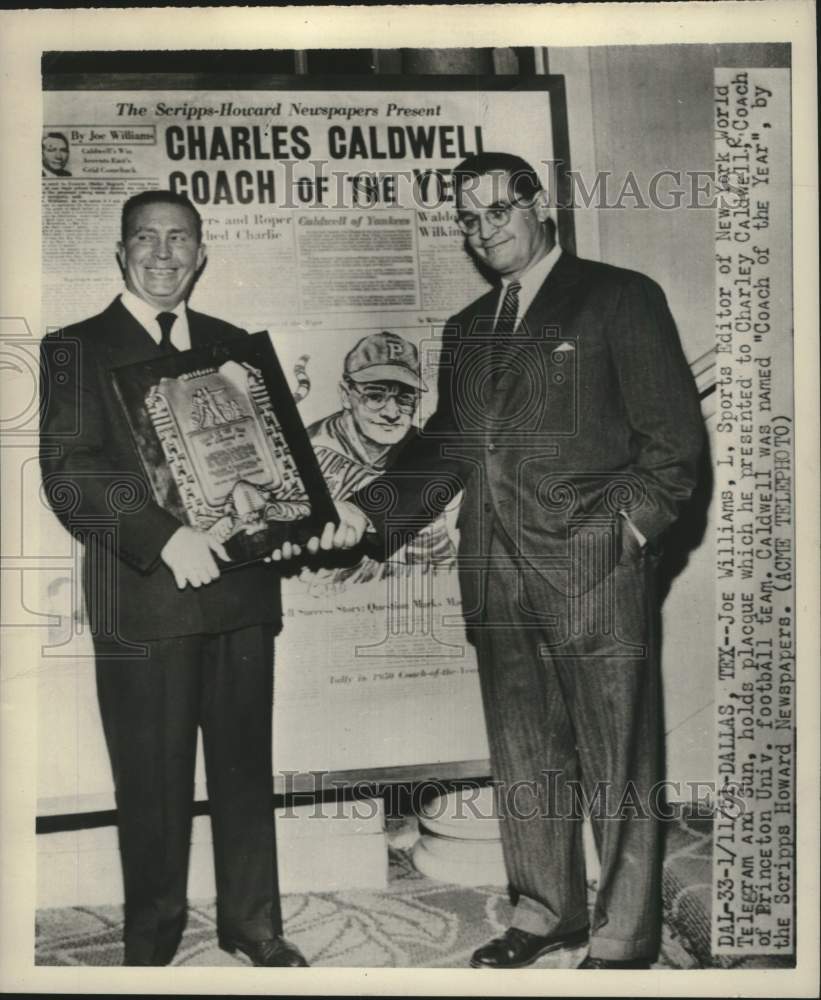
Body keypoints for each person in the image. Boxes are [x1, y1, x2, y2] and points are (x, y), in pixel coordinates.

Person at [303, 152, 705, 969]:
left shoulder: (618, 297)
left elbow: (673, 454)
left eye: (495, 210)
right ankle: (544, 910)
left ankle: (624, 937)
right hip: (494, 575)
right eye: (466, 217)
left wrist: (618, 543)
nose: (482, 230)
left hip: (594, 575)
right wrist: (361, 511)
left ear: (538, 204)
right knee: (524, 755)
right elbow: (445, 450)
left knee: (618, 760)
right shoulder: (465, 330)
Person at [39, 190, 329, 967]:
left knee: (243, 772)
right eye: (147, 238)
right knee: (152, 782)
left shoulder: (235, 348)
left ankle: (254, 927)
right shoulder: (75, 347)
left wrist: (292, 528)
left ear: (202, 255)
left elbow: (277, 472)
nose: (164, 254)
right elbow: (70, 474)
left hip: (241, 595)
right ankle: (152, 941)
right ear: (120, 252)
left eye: (180, 240)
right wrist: (166, 538)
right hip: (144, 598)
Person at [304, 330, 455, 587]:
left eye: (405, 397)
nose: (392, 412)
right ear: (345, 394)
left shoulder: (428, 454)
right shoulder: (310, 452)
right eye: (375, 396)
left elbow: (443, 562)